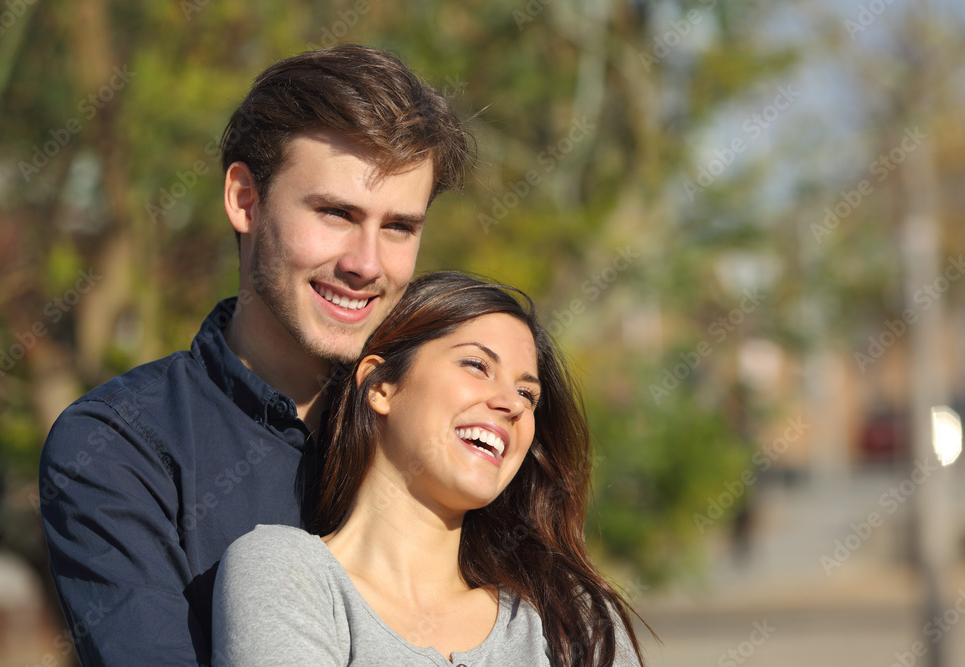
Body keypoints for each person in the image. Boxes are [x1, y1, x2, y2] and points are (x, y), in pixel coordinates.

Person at [38, 45, 471, 666]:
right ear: (245, 199)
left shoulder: (452, 428)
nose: (366, 264)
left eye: (399, 227)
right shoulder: (116, 450)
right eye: (335, 213)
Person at [213, 272, 645, 667]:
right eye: (477, 365)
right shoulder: (286, 574)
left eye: (527, 394)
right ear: (380, 386)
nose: (512, 404)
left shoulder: (573, 618)